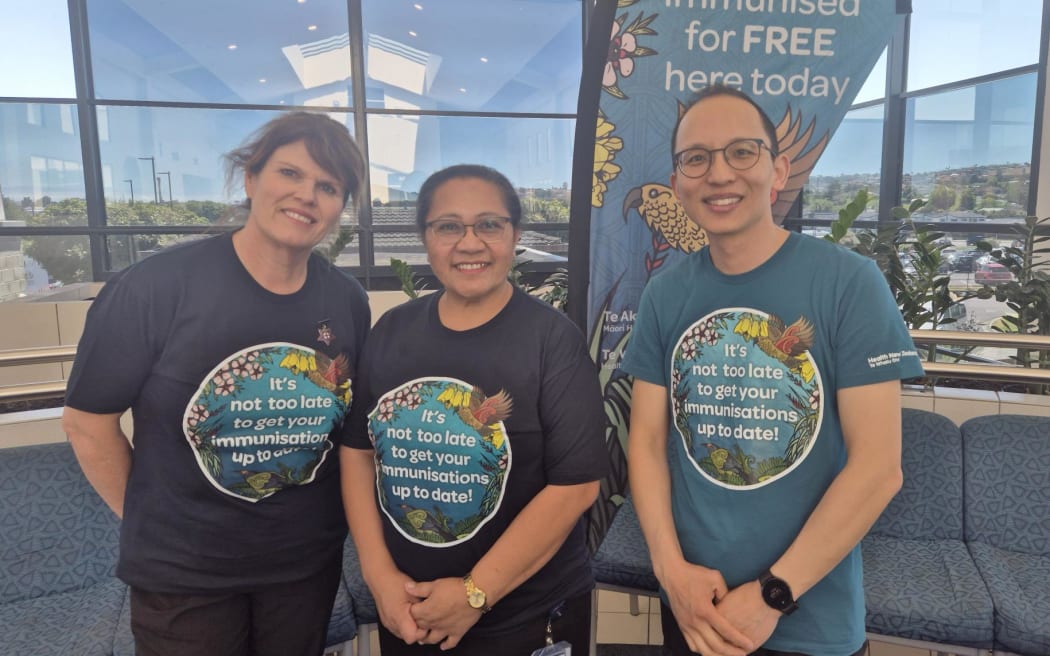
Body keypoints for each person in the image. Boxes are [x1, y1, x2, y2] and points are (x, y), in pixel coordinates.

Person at [621, 85, 925, 656]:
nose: (718, 174)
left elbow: (879, 468)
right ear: (679, 181)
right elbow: (647, 440)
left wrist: (773, 594)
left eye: (742, 151)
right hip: (694, 608)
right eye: (697, 158)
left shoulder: (848, 283)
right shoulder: (665, 295)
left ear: (779, 169)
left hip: (810, 620)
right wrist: (671, 573)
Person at [62, 111, 370, 656]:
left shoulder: (345, 300)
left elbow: (344, 425)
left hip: (303, 568)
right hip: (185, 577)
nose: (306, 196)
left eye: (328, 187)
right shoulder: (154, 287)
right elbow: (89, 423)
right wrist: (151, 521)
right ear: (251, 178)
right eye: (290, 174)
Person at [340, 164, 606, 655]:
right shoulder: (391, 333)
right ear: (425, 237)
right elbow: (358, 452)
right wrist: (379, 577)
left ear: (515, 235)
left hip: (526, 615)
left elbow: (576, 486)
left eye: (489, 224)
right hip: (410, 610)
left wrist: (473, 593)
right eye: (448, 226)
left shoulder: (551, 340)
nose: (470, 243)